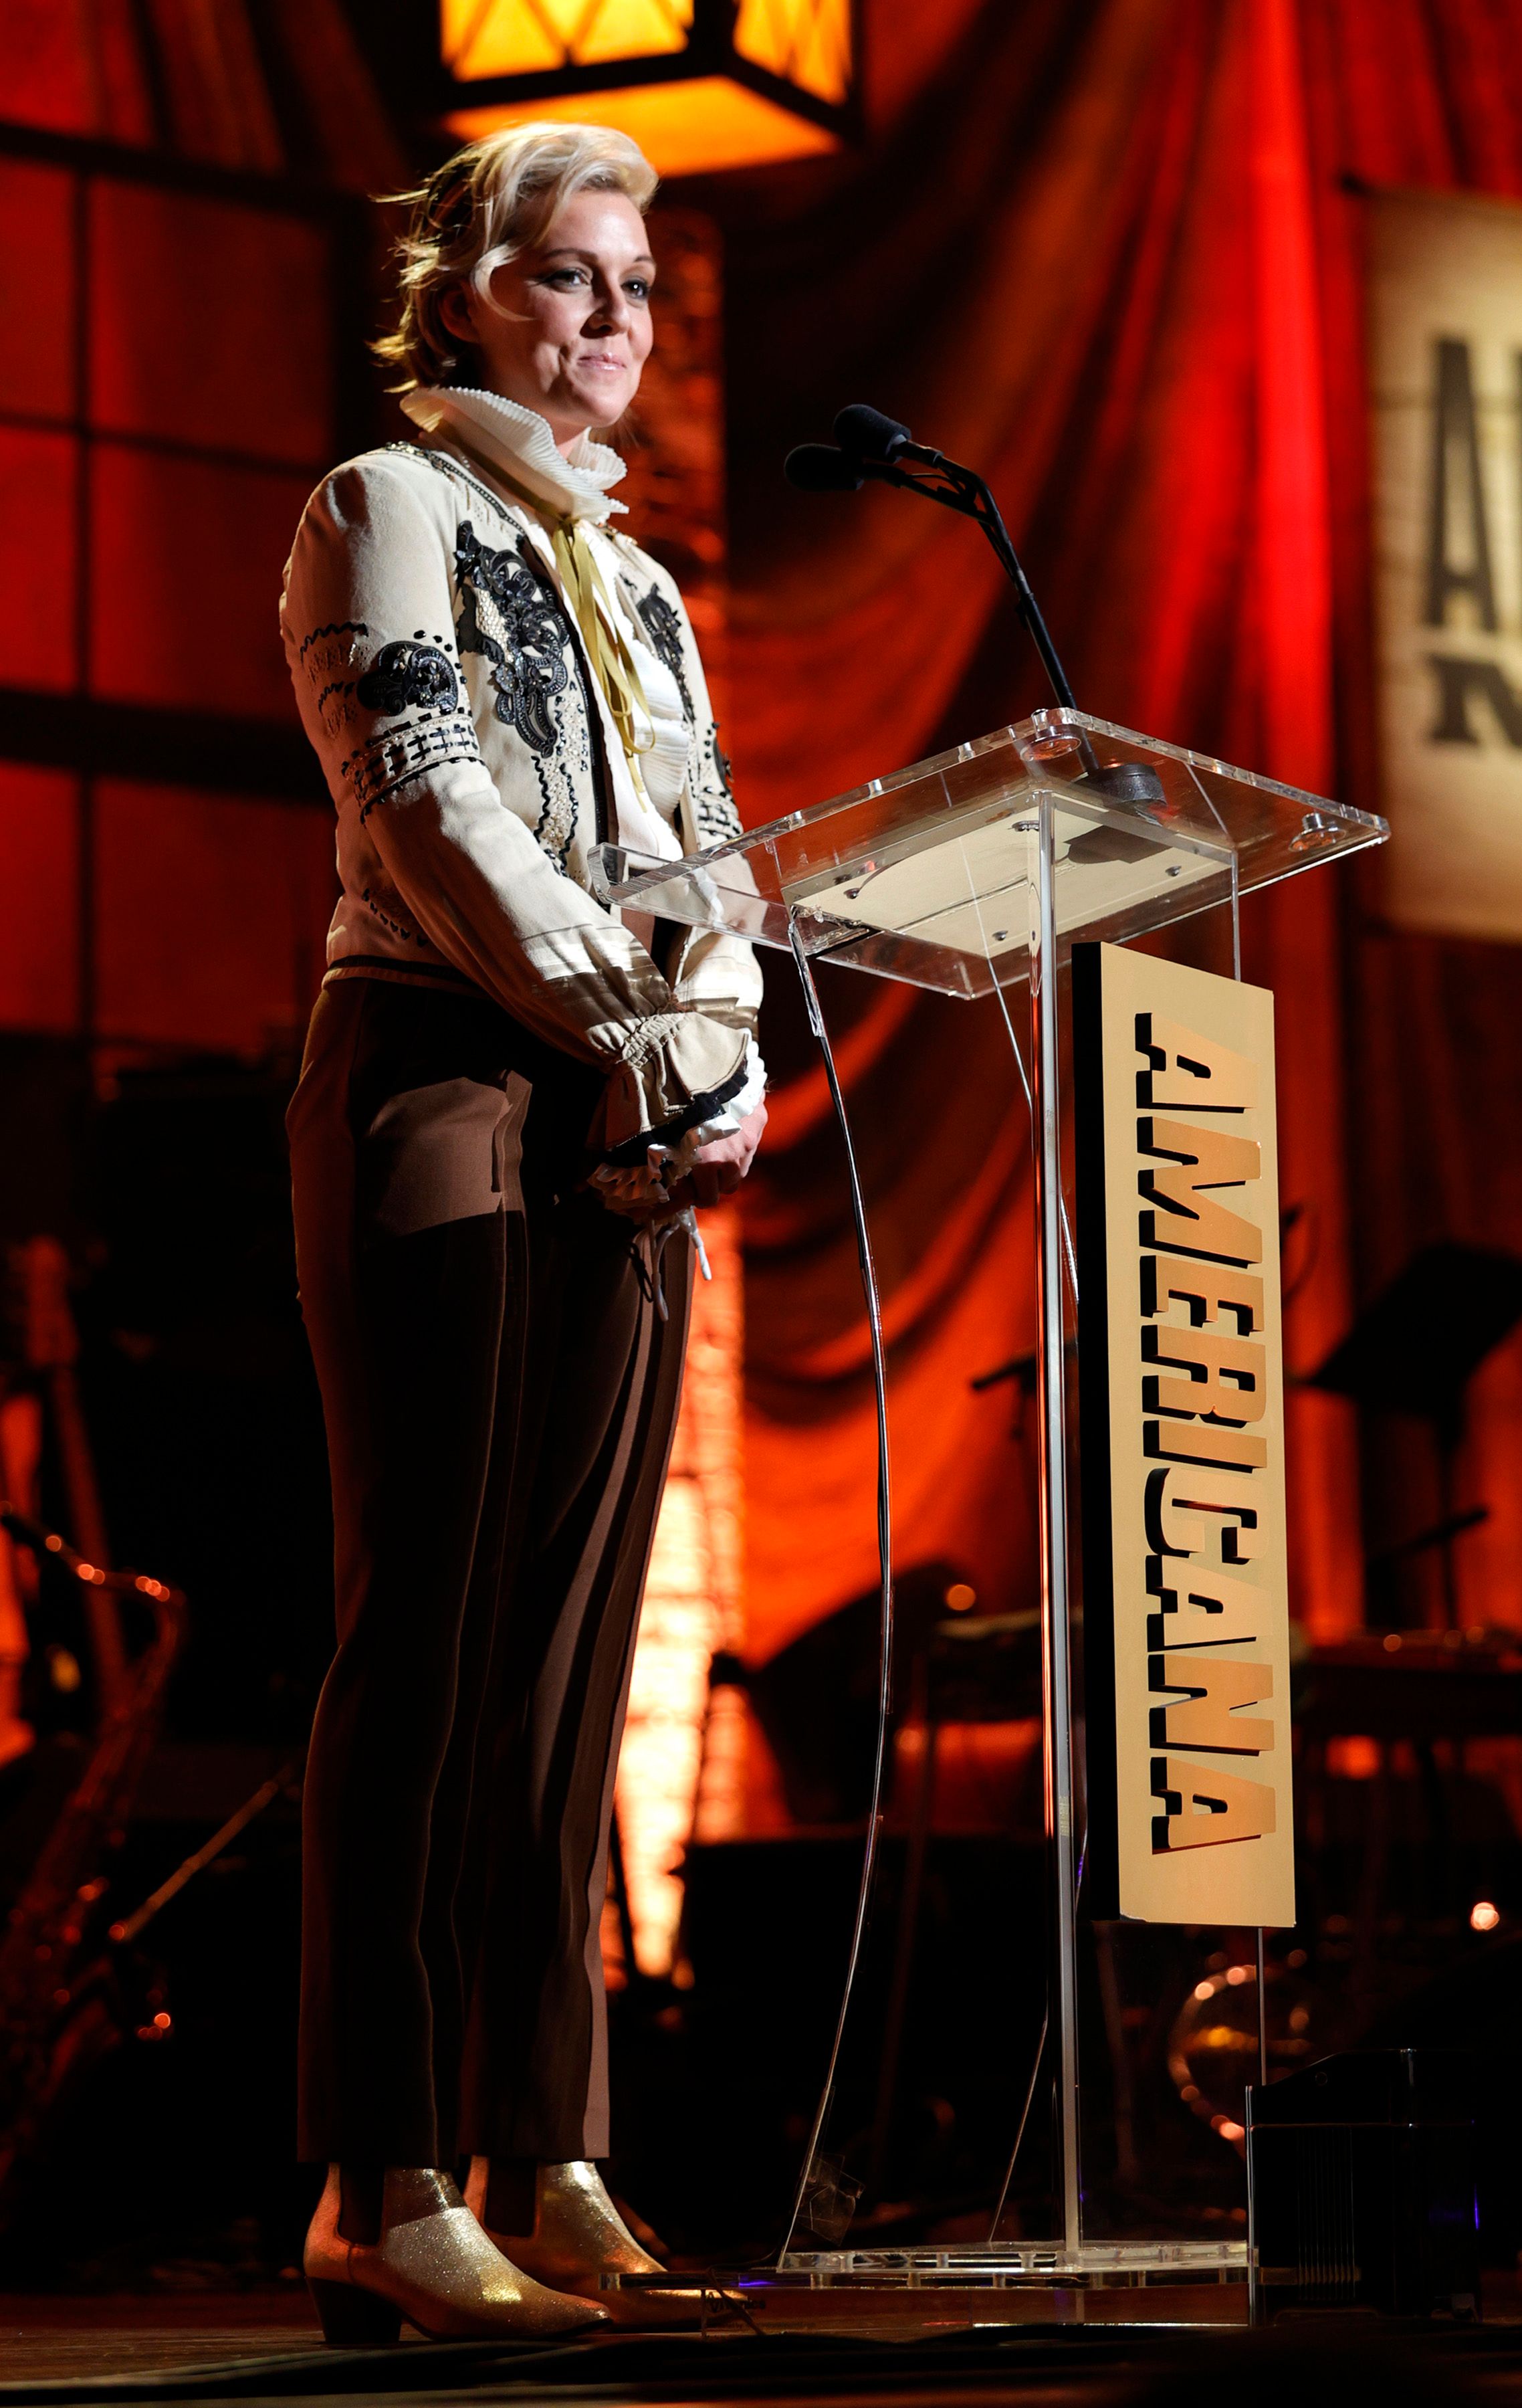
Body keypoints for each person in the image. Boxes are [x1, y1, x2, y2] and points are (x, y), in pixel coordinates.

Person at [279, 121, 766, 2343]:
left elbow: (718, 850)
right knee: (435, 1614)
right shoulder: (386, 508)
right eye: (572, 279)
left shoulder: (646, 588)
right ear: (468, 290)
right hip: (437, 1061)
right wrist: (626, 1021)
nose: (612, 323)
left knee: (572, 1657)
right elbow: (427, 794)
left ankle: (542, 2146)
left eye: (641, 288)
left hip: (629, 1101)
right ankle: (375, 2173)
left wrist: (724, 1040)